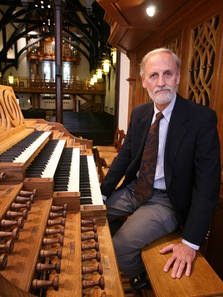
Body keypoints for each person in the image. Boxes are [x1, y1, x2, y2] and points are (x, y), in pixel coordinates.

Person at [100, 48, 221, 290]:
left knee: (120, 247)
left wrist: (190, 242)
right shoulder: (141, 113)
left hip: (167, 200)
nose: (161, 82)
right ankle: (125, 250)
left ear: (178, 77)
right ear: (144, 80)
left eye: (168, 74)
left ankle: (140, 280)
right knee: (92, 215)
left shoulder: (201, 118)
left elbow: (208, 184)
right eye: (154, 75)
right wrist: (102, 193)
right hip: (136, 189)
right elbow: (125, 156)